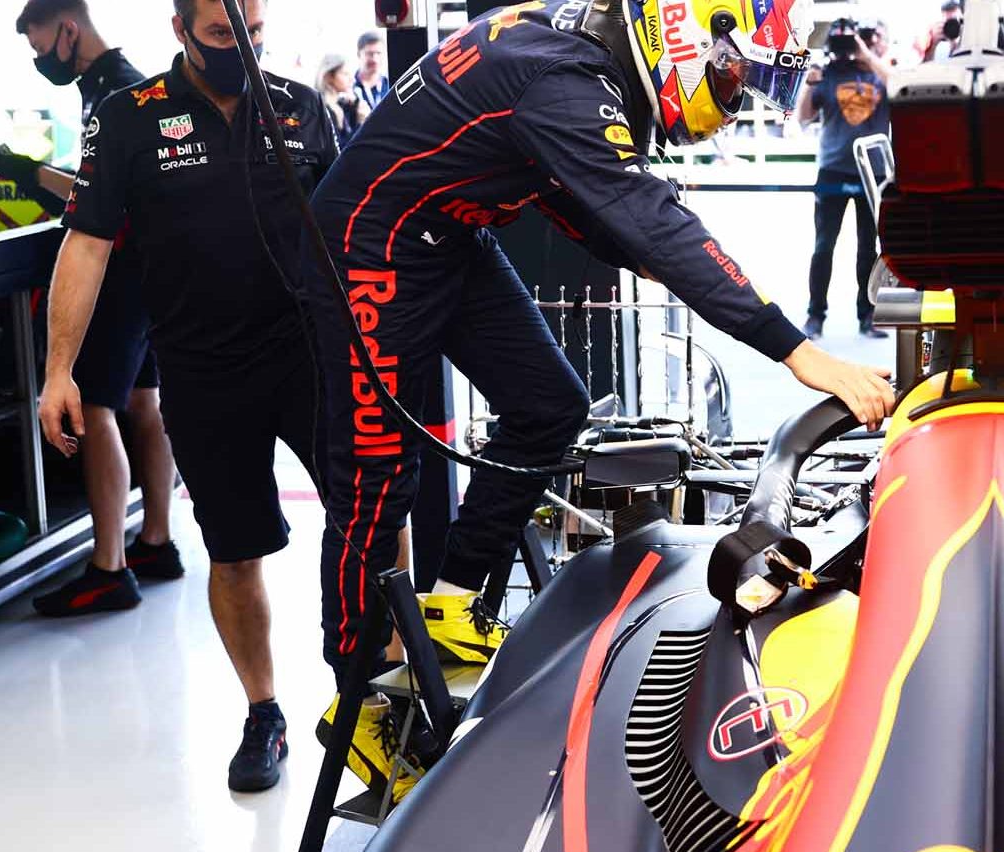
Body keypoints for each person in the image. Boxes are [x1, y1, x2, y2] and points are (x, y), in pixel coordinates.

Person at [305, 0, 896, 795]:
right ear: (686, 32)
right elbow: (646, 214)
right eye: (728, 78)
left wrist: (648, 248)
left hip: (449, 231)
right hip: (370, 241)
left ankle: (448, 601)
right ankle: (356, 699)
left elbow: (574, 188)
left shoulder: (583, 52)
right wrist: (796, 350)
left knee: (550, 405)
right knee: (378, 478)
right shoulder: (566, 76)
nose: (724, 107)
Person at [40, 0, 337, 793]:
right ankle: (264, 713)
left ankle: (378, 688)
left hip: (311, 358)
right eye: (217, 33)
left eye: (253, 30)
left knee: (377, 509)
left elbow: (348, 233)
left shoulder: (302, 108)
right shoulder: (127, 117)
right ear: (179, 30)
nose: (239, 43)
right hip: (204, 372)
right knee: (234, 552)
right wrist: (58, 370)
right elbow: (87, 244)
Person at [2, 0, 181, 617]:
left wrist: (34, 178)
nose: (37, 59)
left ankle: (109, 566)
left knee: (94, 406)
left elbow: (102, 203)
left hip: (120, 274)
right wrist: (31, 176)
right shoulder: (118, 88)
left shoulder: (116, 95)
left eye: (38, 43)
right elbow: (95, 183)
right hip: (149, 274)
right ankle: (156, 540)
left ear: (68, 29)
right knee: (143, 403)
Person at [797, 19, 892, 340]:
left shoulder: (880, 73)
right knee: (823, 246)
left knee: (870, 248)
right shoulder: (827, 74)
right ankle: (815, 316)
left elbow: (899, 87)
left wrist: (865, 53)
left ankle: (868, 316)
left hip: (872, 170)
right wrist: (810, 83)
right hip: (833, 169)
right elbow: (804, 118)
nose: (847, 49)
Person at [317, 52, 367, 147]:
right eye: (345, 74)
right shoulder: (326, 110)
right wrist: (361, 124)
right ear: (329, 76)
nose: (352, 79)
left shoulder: (340, 104)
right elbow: (341, 150)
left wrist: (356, 104)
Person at [351, 29, 388, 111]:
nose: (375, 59)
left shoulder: (389, 85)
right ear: (359, 54)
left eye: (378, 53)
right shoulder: (349, 87)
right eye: (369, 54)